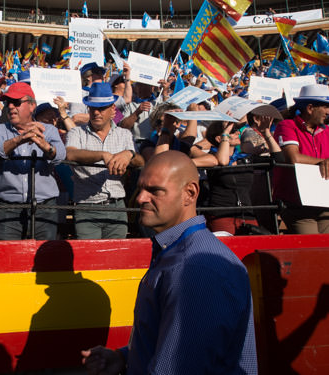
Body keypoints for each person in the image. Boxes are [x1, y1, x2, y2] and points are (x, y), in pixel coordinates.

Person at [82, 150, 257, 374]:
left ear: (190, 193)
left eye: (155, 191)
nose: (140, 198)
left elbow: (180, 366)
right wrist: (125, 357)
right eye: (140, 188)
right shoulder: (180, 254)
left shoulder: (196, 269)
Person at [0, 82, 66, 240]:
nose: (11, 107)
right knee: (8, 259)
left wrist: (42, 143)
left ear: (32, 106)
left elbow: (61, 156)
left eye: (16, 102)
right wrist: (20, 139)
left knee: (44, 259)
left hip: (45, 205)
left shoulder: (48, 130)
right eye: (8, 103)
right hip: (9, 206)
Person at [66, 82, 144, 239]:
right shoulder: (76, 132)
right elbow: (70, 155)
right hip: (87, 207)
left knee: (116, 260)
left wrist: (129, 154)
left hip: (117, 207)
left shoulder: (124, 134)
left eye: (101, 108)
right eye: (93, 108)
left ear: (112, 110)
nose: (96, 112)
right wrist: (102, 155)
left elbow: (141, 163)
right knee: (90, 260)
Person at [273, 83, 329, 234]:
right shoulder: (287, 126)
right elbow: (294, 158)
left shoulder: (327, 131)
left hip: (325, 202)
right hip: (297, 203)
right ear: (310, 108)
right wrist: (322, 163)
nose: (328, 111)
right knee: (312, 249)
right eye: (325, 106)